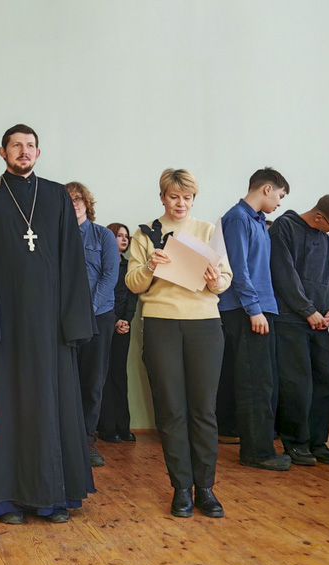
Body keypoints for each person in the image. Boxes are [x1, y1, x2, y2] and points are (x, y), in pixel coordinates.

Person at [0, 124, 93, 524]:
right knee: (9, 403)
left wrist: (74, 323)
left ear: (38, 152)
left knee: (50, 405)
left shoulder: (56, 195)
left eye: (30, 146)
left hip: (49, 324)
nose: (24, 151)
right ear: (2, 152)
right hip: (2, 322)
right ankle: (6, 499)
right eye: (16, 145)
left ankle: (53, 498)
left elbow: (72, 259)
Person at [126, 168, 231, 518]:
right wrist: (150, 267)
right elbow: (133, 283)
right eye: (174, 197)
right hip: (161, 322)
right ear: (162, 198)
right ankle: (181, 488)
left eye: (187, 197)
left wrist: (215, 280)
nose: (181, 203)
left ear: (193, 199)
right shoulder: (145, 233)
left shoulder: (208, 230)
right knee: (171, 409)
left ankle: (206, 488)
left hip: (205, 324)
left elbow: (225, 279)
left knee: (204, 410)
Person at [216, 168, 291, 471]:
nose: (280, 202)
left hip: (261, 308)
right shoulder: (237, 218)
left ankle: (261, 447)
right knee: (254, 383)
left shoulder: (258, 221)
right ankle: (256, 453)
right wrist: (253, 308)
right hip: (246, 310)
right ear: (267, 189)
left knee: (265, 381)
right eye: (280, 196)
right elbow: (238, 269)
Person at [270, 194, 329, 466]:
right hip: (290, 320)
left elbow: (328, 278)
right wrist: (307, 310)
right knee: (297, 386)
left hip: (318, 322)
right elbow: (284, 274)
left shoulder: (325, 239)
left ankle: (318, 443)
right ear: (318, 217)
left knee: (327, 383)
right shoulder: (284, 227)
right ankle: (296, 444)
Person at [67, 181, 120, 467]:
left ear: (87, 204)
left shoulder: (103, 236)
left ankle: (87, 440)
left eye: (79, 199)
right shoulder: (55, 237)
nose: (74, 203)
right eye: (69, 199)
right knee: (65, 381)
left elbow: (110, 277)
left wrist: (88, 311)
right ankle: (65, 440)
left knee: (93, 381)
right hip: (64, 320)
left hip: (99, 317)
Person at [99, 222, 137, 443]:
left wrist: (126, 321)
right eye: (119, 235)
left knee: (120, 375)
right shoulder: (102, 263)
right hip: (104, 324)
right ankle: (107, 427)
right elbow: (102, 294)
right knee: (104, 374)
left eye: (126, 236)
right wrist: (114, 321)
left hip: (124, 327)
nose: (124, 239)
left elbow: (133, 297)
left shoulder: (131, 266)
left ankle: (123, 426)